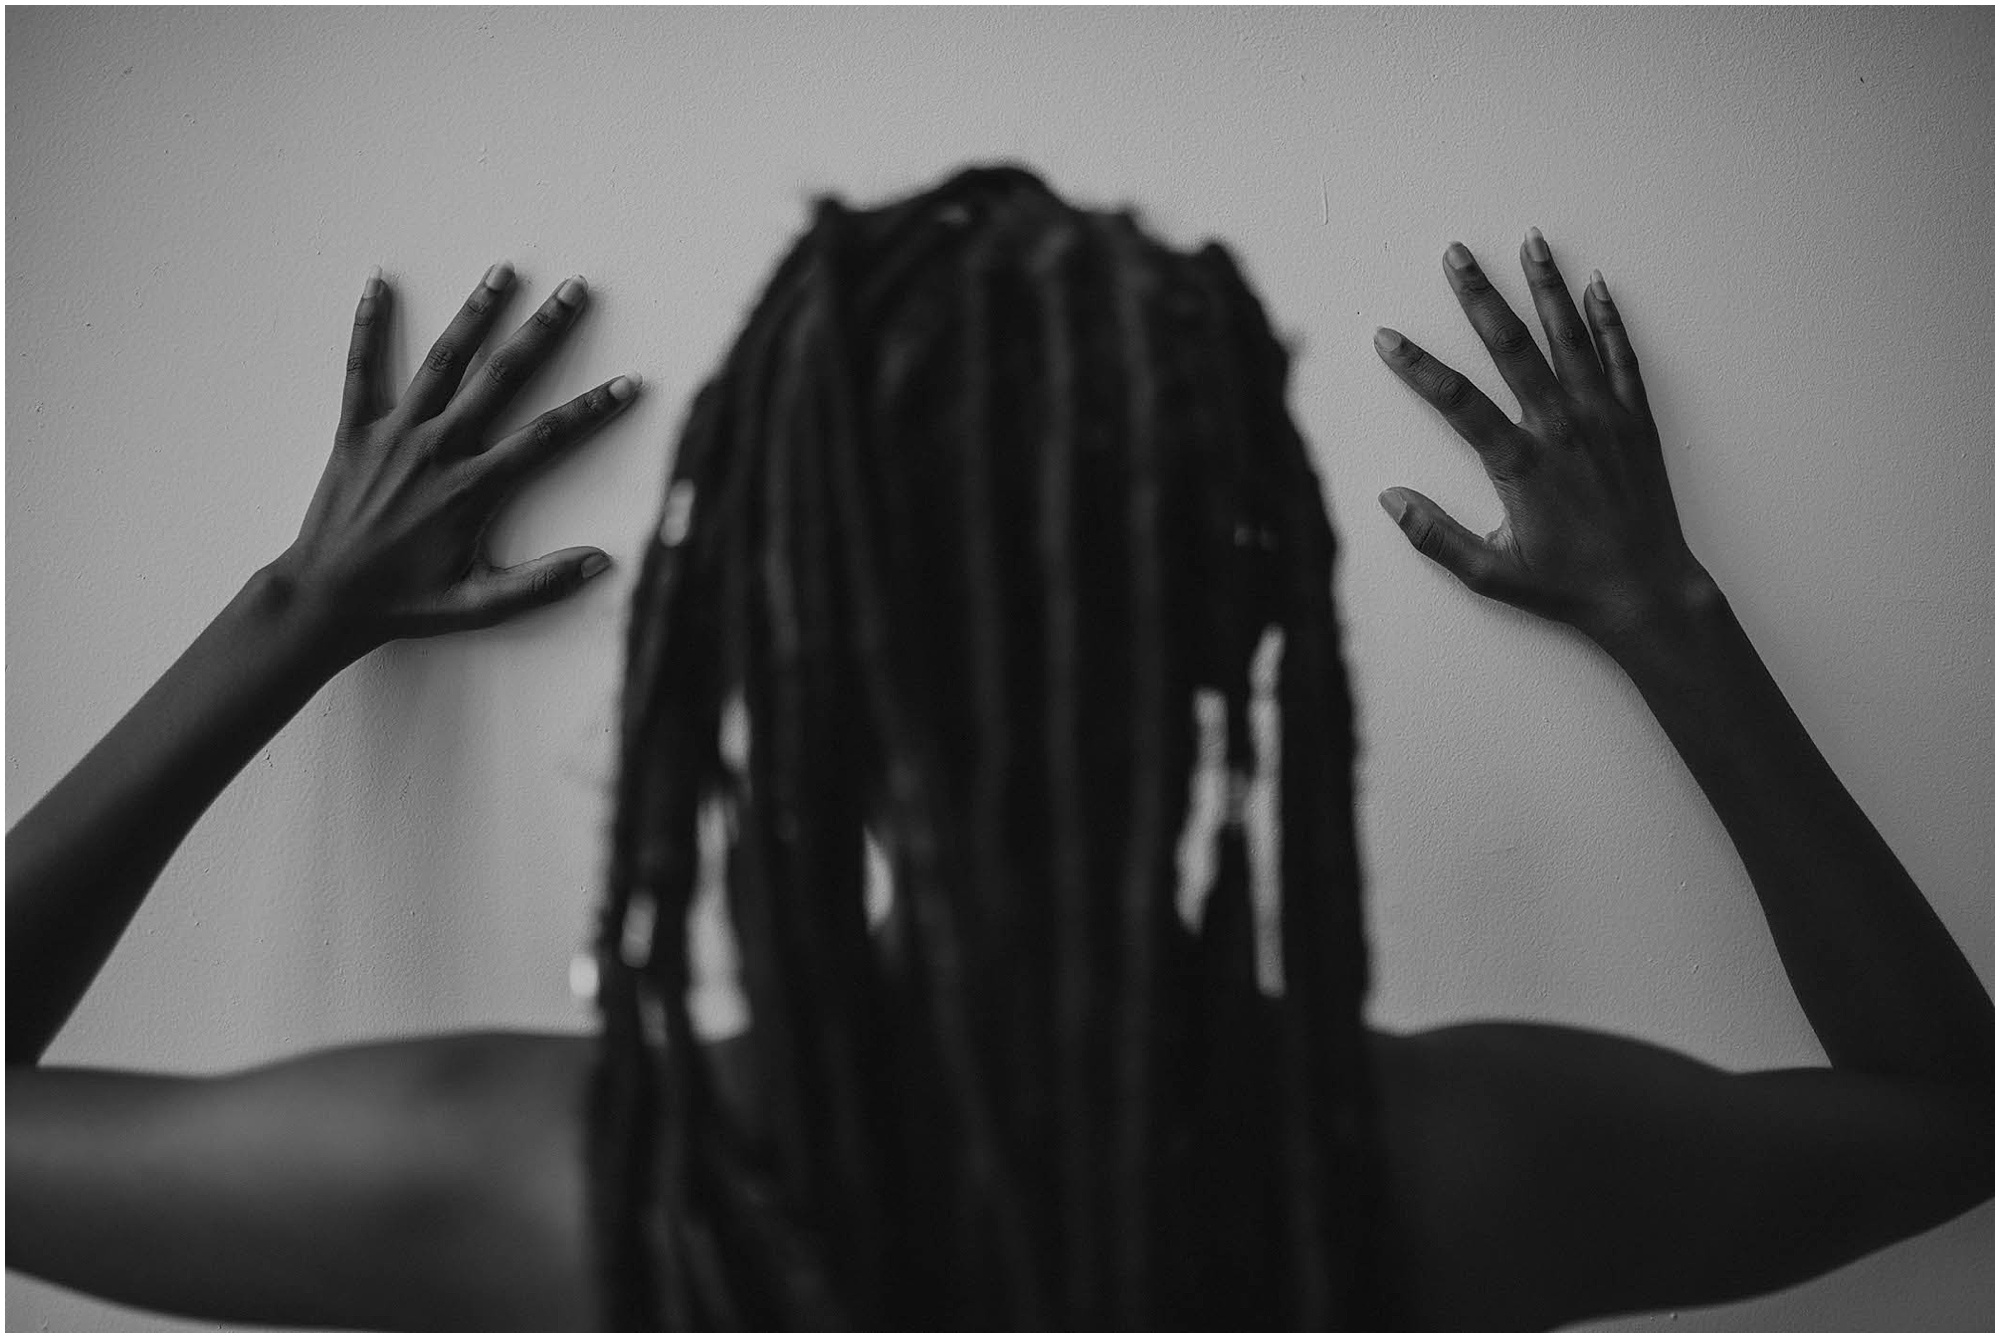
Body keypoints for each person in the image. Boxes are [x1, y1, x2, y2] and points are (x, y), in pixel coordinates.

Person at [7, 166, 1990, 1331]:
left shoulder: (572, 1191)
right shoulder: (1426, 1175)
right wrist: (1666, 619)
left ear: (766, 662)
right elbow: (1945, 1110)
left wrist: (291, 617)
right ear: (1249, 624)